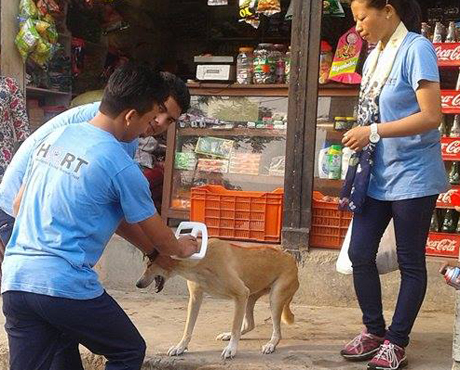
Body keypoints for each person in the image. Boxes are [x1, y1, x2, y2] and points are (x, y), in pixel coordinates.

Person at [1, 63, 196, 370]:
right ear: (131, 115)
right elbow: (159, 236)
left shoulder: (58, 135)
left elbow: (19, 203)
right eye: (150, 118)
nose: (152, 126)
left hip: (16, 280)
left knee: (55, 356)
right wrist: (183, 247)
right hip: (64, 283)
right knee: (129, 350)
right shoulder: (120, 162)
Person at [338, 1, 448, 369]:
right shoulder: (373, 57)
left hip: (414, 175)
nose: (358, 28)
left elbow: (431, 116)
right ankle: (373, 330)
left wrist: (373, 131)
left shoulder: (416, 48)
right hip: (376, 173)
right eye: (354, 20)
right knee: (359, 253)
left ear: (388, 10)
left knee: (410, 262)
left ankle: (396, 341)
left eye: (362, 17)